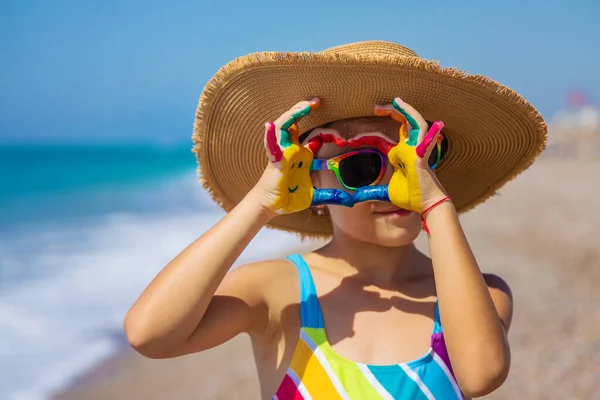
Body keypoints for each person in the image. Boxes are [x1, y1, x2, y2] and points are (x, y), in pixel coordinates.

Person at [124, 41, 547, 399]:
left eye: (414, 165)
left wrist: (436, 205)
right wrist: (260, 203)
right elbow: (151, 334)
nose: (393, 187)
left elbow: (481, 374)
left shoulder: (480, 295)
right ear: (308, 183)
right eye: (363, 167)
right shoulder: (279, 293)